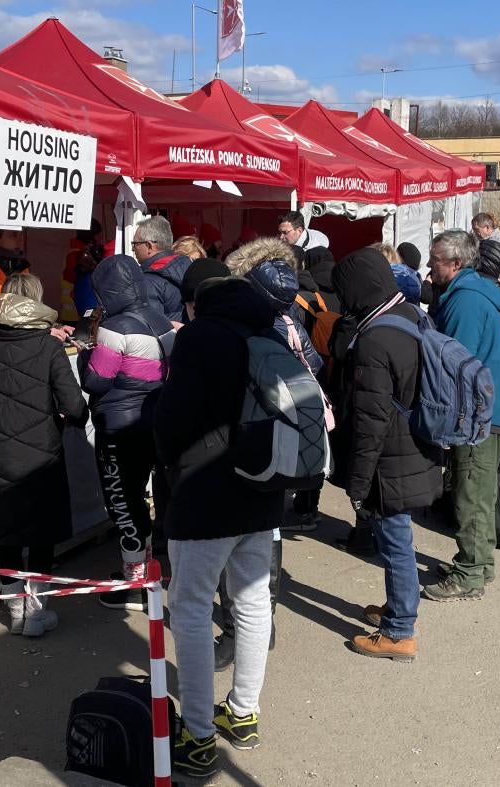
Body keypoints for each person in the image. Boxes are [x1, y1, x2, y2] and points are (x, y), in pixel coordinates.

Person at [155, 275, 281, 778]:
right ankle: (244, 712)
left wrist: (170, 465)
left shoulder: (200, 337)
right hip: (267, 489)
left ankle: (199, 733)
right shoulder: (267, 336)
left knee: (189, 607)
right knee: (251, 601)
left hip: (207, 493)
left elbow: (173, 418)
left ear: (197, 304)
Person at [0, 274, 88, 636]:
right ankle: (36, 614)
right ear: (37, 304)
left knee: (5, 534)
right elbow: (74, 405)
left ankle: (14, 611)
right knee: (42, 536)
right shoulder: (47, 346)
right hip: (42, 457)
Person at [331, 249, 441, 661]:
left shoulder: (374, 339)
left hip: (390, 458)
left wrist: (356, 483)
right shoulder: (407, 313)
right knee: (399, 538)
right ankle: (398, 609)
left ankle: (399, 631)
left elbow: (370, 419)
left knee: (395, 542)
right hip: (414, 446)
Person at [420, 231, 500, 601]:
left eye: (436, 261)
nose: (429, 268)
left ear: (457, 264)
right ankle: (479, 561)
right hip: (492, 407)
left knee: (471, 491)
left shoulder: (465, 302)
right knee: (480, 489)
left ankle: (471, 571)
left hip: (480, 413)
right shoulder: (474, 291)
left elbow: (453, 365)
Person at [77, 255, 177, 610]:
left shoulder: (115, 328)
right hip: (155, 419)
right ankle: (149, 568)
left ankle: (134, 583)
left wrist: (84, 354)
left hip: (119, 426)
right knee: (141, 498)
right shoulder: (160, 317)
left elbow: (95, 381)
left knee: (123, 499)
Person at [226, 238, 324, 530]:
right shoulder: (289, 321)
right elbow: (314, 364)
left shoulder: (246, 328)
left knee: (254, 505)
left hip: (253, 425)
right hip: (286, 418)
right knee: (271, 510)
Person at [131, 215, 192, 324]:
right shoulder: (189, 266)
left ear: (149, 246)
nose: (133, 249)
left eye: (135, 244)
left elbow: (152, 326)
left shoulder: (147, 281)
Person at [60, 221, 104, 323]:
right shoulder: (77, 255)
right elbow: (72, 278)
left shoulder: (74, 252)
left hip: (75, 311)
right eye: (97, 235)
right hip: (76, 313)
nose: (98, 240)